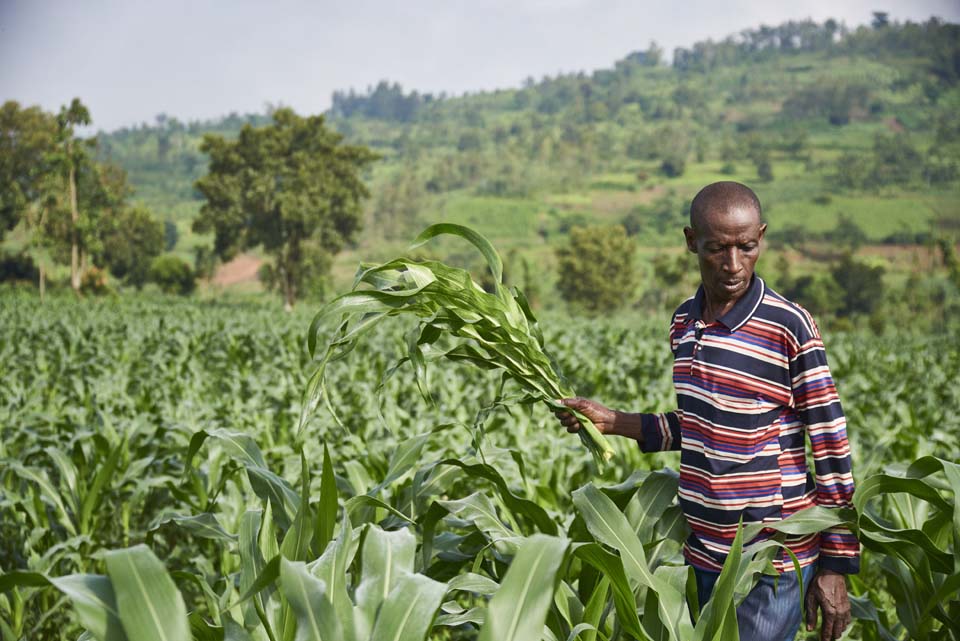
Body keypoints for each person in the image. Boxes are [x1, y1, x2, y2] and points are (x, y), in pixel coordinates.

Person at [556, 181, 857, 641]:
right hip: (703, 554)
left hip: (770, 562)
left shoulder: (789, 326)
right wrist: (612, 421)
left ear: (761, 237)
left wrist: (836, 561)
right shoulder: (684, 323)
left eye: (747, 247)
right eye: (717, 249)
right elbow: (700, 425)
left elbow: (831, 441)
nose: (733, 264)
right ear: (691, 242)